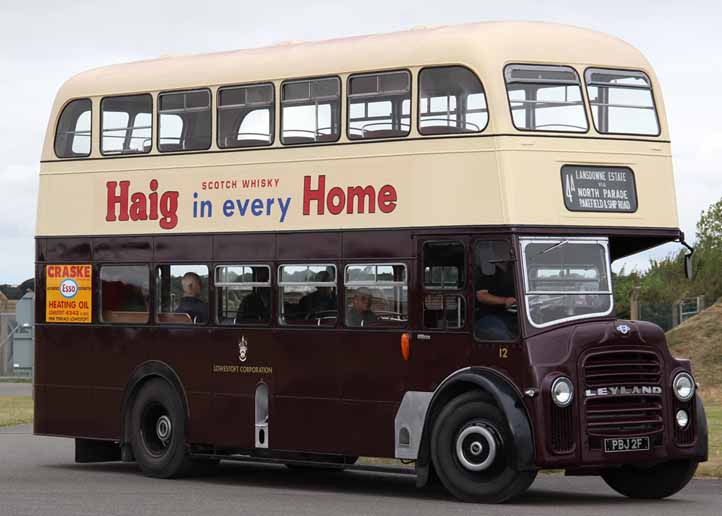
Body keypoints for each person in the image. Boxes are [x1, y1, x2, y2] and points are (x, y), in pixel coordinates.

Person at [474, 258, 517, 340]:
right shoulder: (489, 274)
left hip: (511, 317)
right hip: (489, 317)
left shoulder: (516, 276)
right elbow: (481, 296)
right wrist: (505, 301)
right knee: (502, 337)